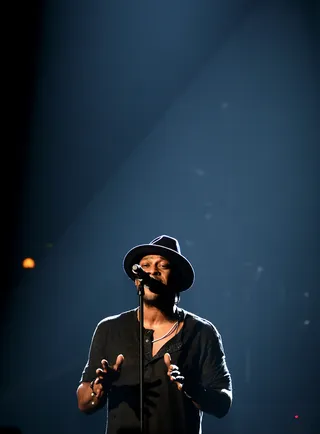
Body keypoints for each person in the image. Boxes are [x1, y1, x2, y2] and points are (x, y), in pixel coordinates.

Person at [77, 235, 232, 434]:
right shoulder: (109, 329)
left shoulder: (201, 332)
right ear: (136, 281)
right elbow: (83, 402)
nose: (152, 271)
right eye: (146, 265)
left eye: (163, 266)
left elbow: (223, 403)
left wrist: (194, 391)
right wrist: (98, 390)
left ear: (177, 279)